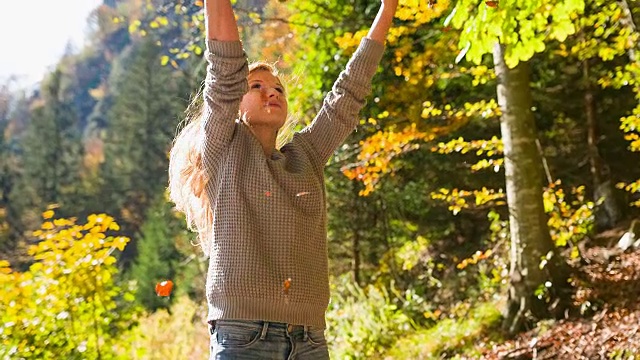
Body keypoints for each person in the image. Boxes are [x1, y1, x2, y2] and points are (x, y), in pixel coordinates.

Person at [168, 0, 398, 358]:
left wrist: (388, 8)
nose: (271, 92)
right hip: (243, 337)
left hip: (309, 340)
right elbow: (225, 73)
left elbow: (347, 96)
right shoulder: (222, 151)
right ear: (235, 104)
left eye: (278, 89)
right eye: (256, 86)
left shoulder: (306, 156)